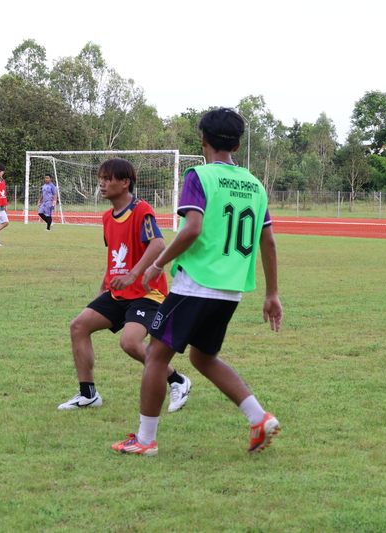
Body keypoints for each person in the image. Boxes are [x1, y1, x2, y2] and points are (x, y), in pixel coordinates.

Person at [111, 108, 282, 456]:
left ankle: (144, 440)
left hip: (196, 284)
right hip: (231, 289)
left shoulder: (200, 176)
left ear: (203, 139)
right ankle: (258, 417)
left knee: (156, 356)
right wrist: (272, 293)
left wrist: (158, 264)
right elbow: (269, 242)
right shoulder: (254, 184)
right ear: (237, 142)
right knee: (203, 358)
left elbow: (192, 228)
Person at [59, 158, 192, 412]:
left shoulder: (141, 210)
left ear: (125, 182)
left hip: (146, 293)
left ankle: (177, 380)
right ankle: (88, 394)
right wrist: (103, 289)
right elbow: (113, 258)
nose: (102, 183)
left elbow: (158, 245)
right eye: (101, 178)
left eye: (108, 179)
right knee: (78, 326)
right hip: (118, 292)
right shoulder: (107, 217)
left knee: (129, 343)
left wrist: (133, 275)